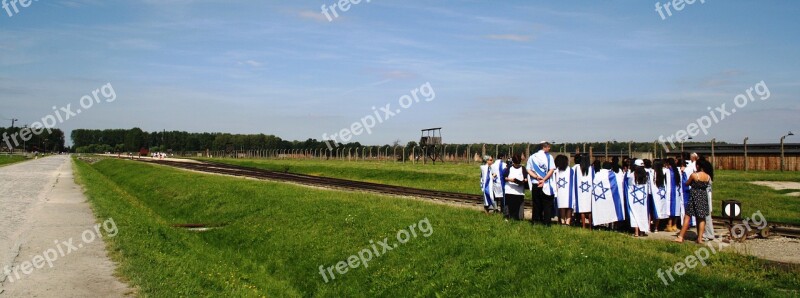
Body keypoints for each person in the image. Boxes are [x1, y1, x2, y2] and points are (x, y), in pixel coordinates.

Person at [675, 162, 711, 244]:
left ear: (698, 166)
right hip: (703, 197)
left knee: (687, 216)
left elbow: (687, 183)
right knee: (702, 218)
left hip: (694, 196)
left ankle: (680, 237)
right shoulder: (708, 177)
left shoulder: (694, 175)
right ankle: (700, 238)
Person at [527, 142, 556, 226]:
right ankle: (547, 222)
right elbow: (551, 170)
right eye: (548, 147)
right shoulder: (549, 157)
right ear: (544, 147)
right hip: (546, 183)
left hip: (536, 183)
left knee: (536, 203)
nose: (549, 149)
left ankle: (535, 221)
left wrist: (536, 177)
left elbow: (528, 170)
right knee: (547, 203)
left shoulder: (532, 157)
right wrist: (544, 179)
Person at [592, 161, 626, 226]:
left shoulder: (597, 174)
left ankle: (600, 224)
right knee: (611, 209)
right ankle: (611, 225)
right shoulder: (614, 175)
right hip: (610, 195)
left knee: (602, 209)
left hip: (600, 195)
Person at [627, 159, 650, 237]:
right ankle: (642, 232)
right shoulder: (646, 175)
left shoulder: (632, 175)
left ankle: (636, 232)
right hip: (643, 198)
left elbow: (629, 186)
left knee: (634, 214)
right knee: (643, 214)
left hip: (634, 198)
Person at [503, 153, 529, 220]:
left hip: (519, 191)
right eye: (515, 164)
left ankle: (519, 218)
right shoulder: (509, 167)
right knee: (508, 204)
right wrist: (510, 180)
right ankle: (507, 216)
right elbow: (505, 177)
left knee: (519, 205)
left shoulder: (523, 168)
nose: (517, 165)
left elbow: (526, 178)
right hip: (510, 190)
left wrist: (523, 181)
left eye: (518, 164)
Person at [698, 158, 716, 241]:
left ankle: (708, 234)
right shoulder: (709, 175)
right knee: (707, 215)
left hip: (704, 196)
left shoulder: (704, 176)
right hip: (707, 195)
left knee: (706, 216)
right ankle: (708, 233)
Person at [573, 154, 593, 228]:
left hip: (580, 191)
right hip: (589, 191)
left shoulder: (577, 168)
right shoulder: (591, 168)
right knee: (589, 209)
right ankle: (590, 226)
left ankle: (583, 226)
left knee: (582, 209)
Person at [553, 154, 574, 225]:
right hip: (569, 192)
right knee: (569, 207)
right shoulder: (570, 170)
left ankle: (562, 222)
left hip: (560, 192)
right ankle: (568, 222)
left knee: (562, 207)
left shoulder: (556, 171)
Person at [650, 160, 670, 232]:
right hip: (662, 194)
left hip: (655, 194)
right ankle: (656, 227)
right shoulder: (664, 172)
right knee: (660, 210)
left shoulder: (652, 173)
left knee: (654, 210)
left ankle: (652, 227)